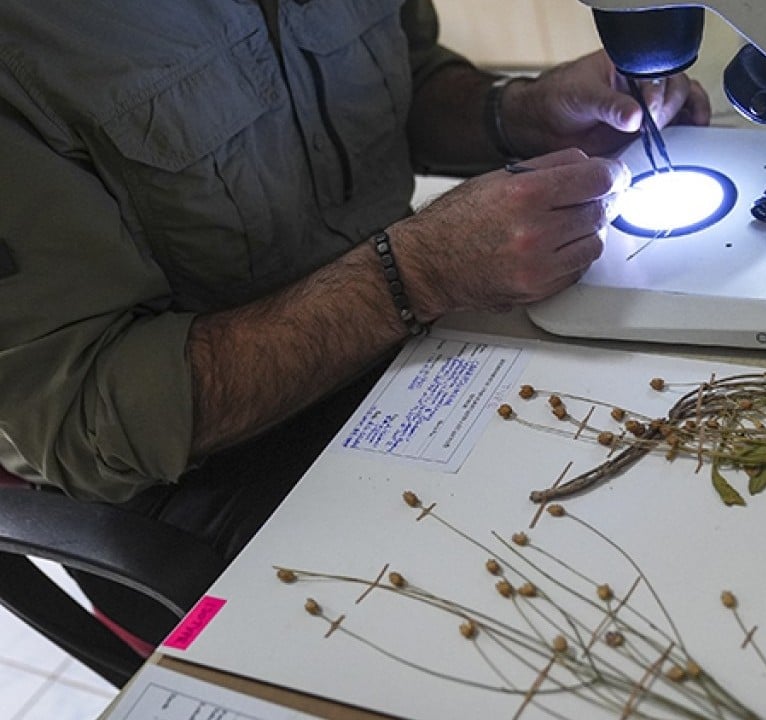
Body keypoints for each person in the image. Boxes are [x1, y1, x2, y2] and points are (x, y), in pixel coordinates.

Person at [0, 0, 709, 645]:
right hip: (201, 465)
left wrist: (515, 111)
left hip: (399, 332)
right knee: (540, 630)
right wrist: (414, 273)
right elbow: (89, 420)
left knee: (671, 511)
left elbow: (403, 82)